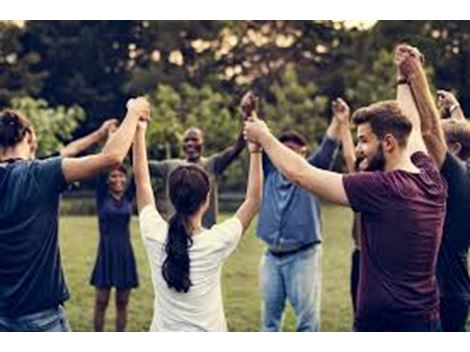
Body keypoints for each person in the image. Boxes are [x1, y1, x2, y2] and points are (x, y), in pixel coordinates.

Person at [243, 45, 447, 332]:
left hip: (385, 327)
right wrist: (404, 79)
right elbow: (410, 126)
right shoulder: (430, 176)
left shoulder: (381, 189)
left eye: (364, 140)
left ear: (388, 143)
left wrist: (263, 135)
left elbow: (300, 173)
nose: (359, 149)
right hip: (427, 323)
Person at [0, 97, 150, 332]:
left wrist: (100, 135)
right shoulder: (40, 174)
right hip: (42, 321)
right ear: (29, 136)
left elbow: (68, 153)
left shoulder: (37, 173)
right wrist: (133, 112)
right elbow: (111, 158)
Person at [133, 105, 262, 332]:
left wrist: (139, 129)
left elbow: (142, 181)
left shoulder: (154, 234)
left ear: (171, 197)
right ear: (206, 200)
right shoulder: (217, 241)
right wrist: (256, 151)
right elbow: (253, 200)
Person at [399, 48, 470, 331]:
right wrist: (454, 109)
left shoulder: (457, 175)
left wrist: (414, 73)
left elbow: (429, 130)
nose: (430, 147)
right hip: (455, 290)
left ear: (452, 150)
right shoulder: (463, 173)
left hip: (443, 296)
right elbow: (459, 136)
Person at [256, 103, 342, 332]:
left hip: (303, 257)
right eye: (283, 150)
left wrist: (337, 119)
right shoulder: (270, 172)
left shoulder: (310, 173)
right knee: (269, 324)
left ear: (303, 152)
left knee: (306, 323)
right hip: (271, 257)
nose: (288, 155)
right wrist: (250, 113)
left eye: (294, 150)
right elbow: (258, 138)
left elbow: (328, 148)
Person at [149, 106, 246, 228]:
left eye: (195, 140)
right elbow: (141, 165)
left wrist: (247, 116)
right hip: (177, 234)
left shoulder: (213, 164)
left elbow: (238, 147)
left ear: (202, 143)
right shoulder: (170, 166)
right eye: (186, 140)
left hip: (205, 233)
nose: (190, 143)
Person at [331, 98, 363, 316]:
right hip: (360, 256)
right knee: (359, 318)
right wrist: (343, 123)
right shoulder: (362, 183)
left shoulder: (386, 184)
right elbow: (349, 155)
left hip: (382, 260)